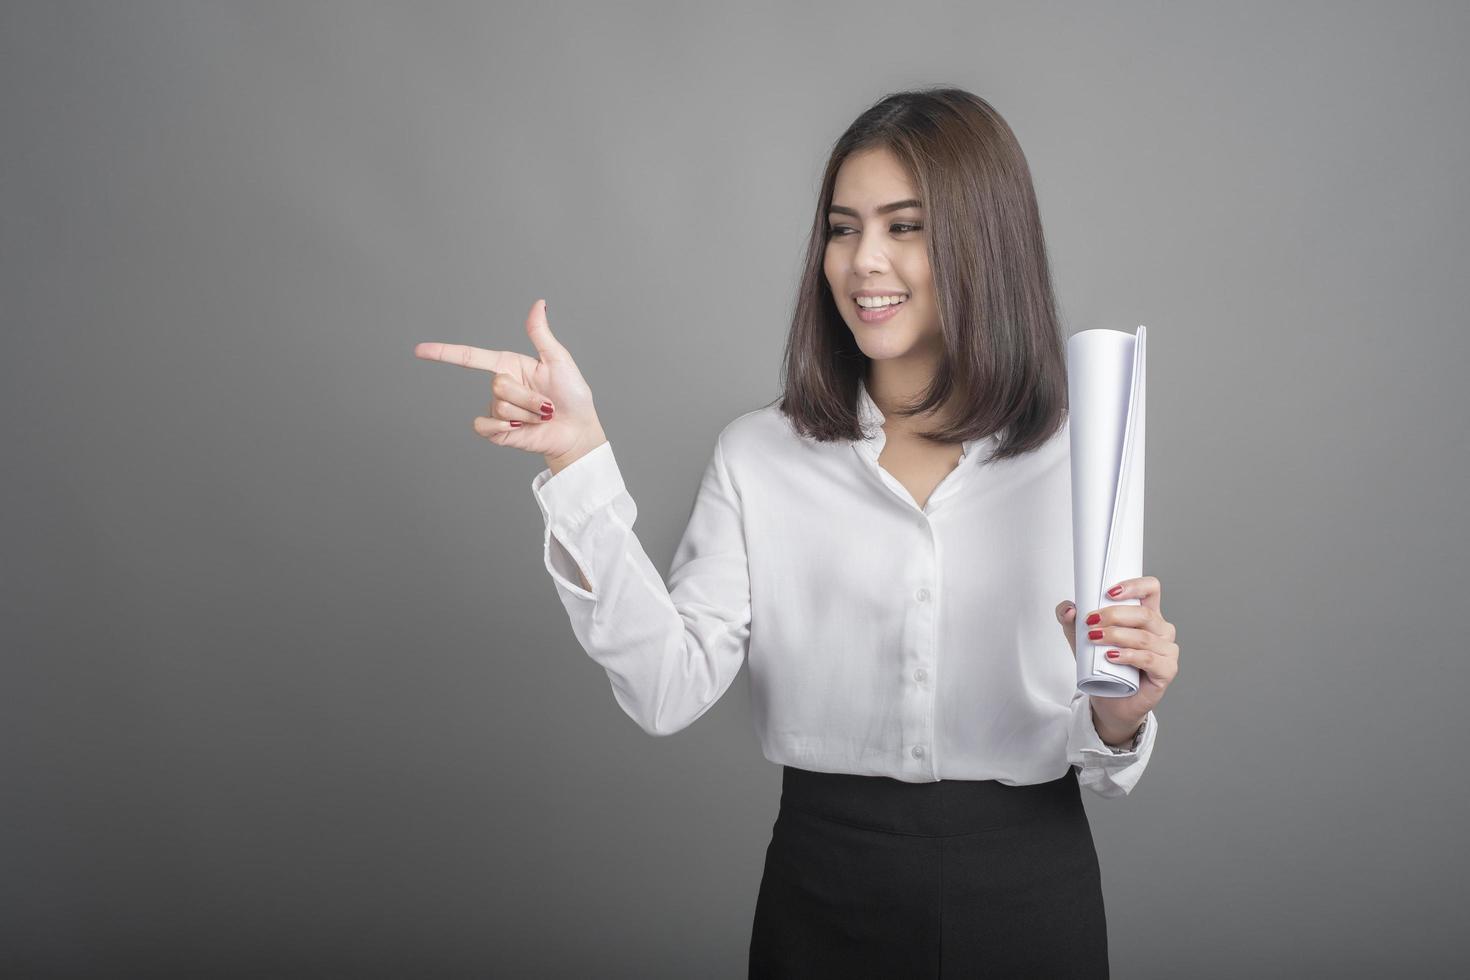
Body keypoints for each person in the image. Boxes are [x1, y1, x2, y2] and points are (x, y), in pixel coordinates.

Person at [414, 86, 1180, 978]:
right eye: (843, 228)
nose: (864, 263)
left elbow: (1102, 744)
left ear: (985, 241)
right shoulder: (759, 456)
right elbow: (667, 688)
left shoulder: (1079, 457)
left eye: (905, 226)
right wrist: (577, 460)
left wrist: (1121, 717)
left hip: (1027, 888)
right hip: (825, 892)